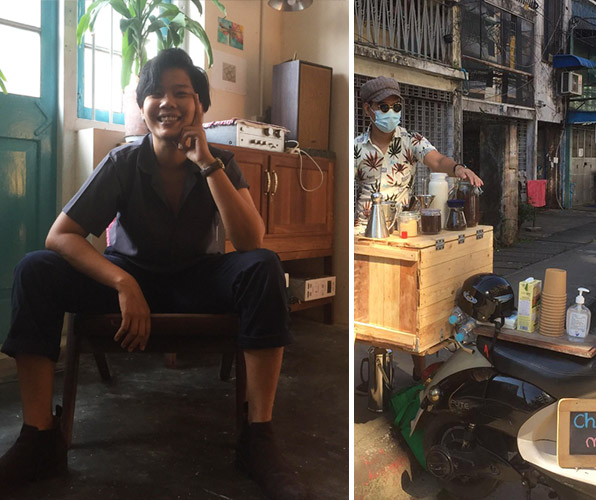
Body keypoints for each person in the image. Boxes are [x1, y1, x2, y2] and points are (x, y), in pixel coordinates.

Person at [0, 48, 306, 500]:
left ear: (200, 105)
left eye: (181, 93)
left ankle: (257, 437)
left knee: (263, 267)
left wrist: (207, 164)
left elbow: (250, 241)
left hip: (200, 281)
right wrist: (123, 283)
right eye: (155, 93)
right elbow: (60, 236)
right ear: (143, 108)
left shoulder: (221, 161)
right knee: (35, 269)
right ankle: (39, 437)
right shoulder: (123, 162)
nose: (168, 102)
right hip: (130, 279)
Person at [354, 76, 484, 380]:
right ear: (368, 110)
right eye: (384, 106)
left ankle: (419, 369)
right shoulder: (357, 148)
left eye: (396, 106)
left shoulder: (411, 140)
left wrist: (458, 169)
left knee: (412, 301)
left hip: (405, 231)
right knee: (373, 305)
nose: (391, 112)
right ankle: (376, 374)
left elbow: (436, 160)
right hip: (367, 234)